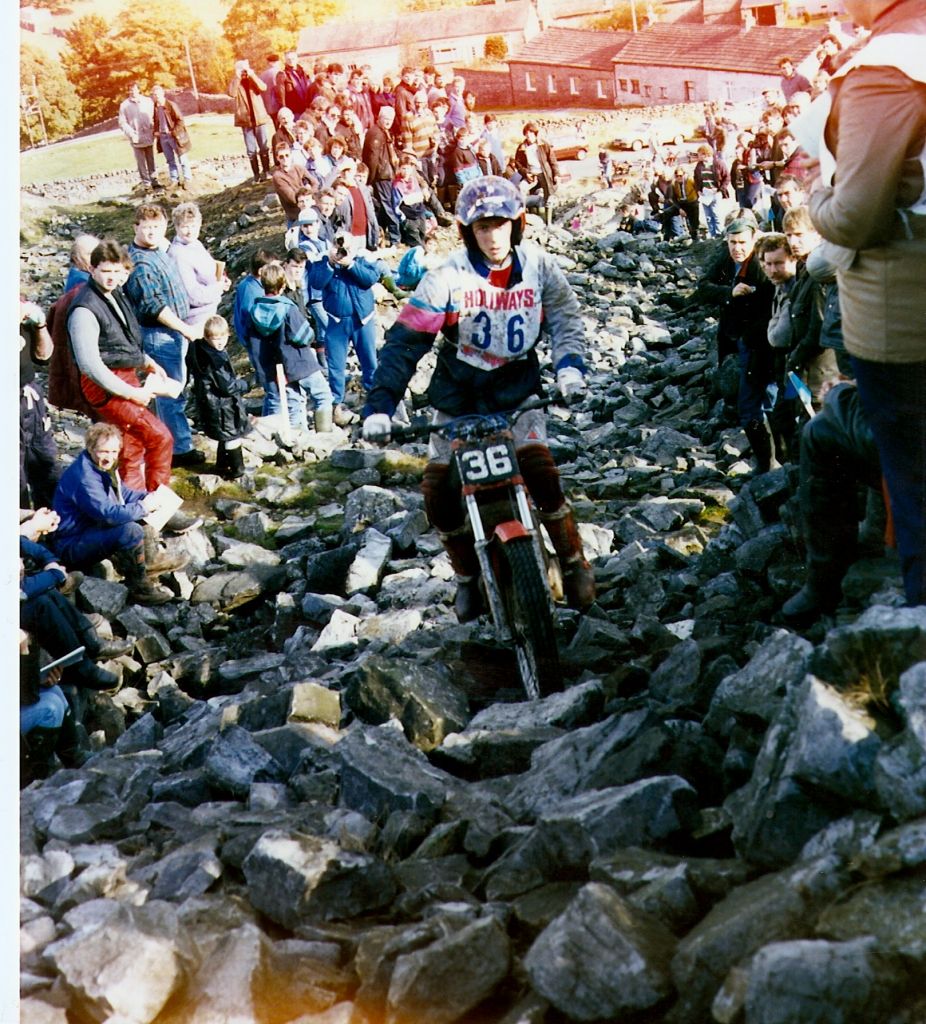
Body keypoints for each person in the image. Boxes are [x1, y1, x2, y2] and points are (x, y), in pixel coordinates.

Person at [361, 176, 595, 621]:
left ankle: (572, 559)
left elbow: (566, 317)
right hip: (458, 396)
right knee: (438, 493)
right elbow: (405, 343)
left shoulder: (540, 267)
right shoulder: (445, 278)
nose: (493, 236)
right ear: (468, 231)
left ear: (517, 223)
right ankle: (467, 576)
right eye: (482, 227)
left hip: (518, 389)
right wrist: (380, 408)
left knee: (540, 471)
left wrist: (569, 367)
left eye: (500, 224)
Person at [806, 0, 926, 607]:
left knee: (914, 483)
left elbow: (855, 217)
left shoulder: (888, 66)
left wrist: (815, 193)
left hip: (901, 315)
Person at [66, 240, 175, 491]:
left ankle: (134, 501)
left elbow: (121, 337)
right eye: (106, 271)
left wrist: (145, 361)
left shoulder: (113, 294)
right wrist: (131, 393)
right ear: (92, 269)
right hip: (104, 386)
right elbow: (89, 365)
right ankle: (158, 499)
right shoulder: (84, 309)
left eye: (116, 271)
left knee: (131, 447)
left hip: (125, 376)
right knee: (160, 436)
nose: (112, 277)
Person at [51, 423, 182, 605]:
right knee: (131, 530)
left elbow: (123, 493)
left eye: (114, 452)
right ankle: (139, 588)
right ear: (90, 448)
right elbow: (108, 514)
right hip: (71, 544)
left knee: (140, 514)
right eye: (104, 451)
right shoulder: (85, 477)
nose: (110, 457)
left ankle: (147, 564)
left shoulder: (100, 467)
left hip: (89, 531)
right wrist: (143, 507)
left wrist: (148, 498)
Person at [124, 203, 206, 469]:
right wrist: (186, 329)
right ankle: (179, 449)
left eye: (157, 227)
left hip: (173, 333)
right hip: (159, 334)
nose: (152, 232)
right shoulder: (139, 263)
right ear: (135, 227)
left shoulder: (159, 249)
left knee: (174, 389)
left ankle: (171, 442)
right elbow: (153, 306)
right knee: (169, 393)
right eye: (146, 227)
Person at [696, 214, 775, 472]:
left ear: (754, 240)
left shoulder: (763, 267)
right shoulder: (727, 259)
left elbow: (769, 310)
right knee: (746, 399)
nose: (737, 248)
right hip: (733, 337)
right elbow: (702, 287)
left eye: (742, 243)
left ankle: (769, 462)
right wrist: (729, 293)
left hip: (758, 344)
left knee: (758, 402)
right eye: (732, 243)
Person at [248, 262, 333, 434]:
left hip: (280, 368)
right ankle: (324, 437)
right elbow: (303, 336)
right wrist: (311, 336)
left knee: (294, 403)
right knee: (323, 395)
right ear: (282, 285)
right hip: (301, 362)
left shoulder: (254, 311)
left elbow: (256, 345)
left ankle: (298, 437)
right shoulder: (287, 308)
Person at [306, 233, 381, 426]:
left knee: (369, 360)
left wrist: (351, 264)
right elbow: (316, 282)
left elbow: (371, 278)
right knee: (336, 365)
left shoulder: (362, 258)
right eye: (338, 245)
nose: (342, 250)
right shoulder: (322, 260)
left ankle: (374, 400)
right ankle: (336, 404)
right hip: (337, 321)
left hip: (362, 320)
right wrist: (331, 263)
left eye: (346, 246)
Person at [186, 315, 251, 478]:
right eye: (216, 338)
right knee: (231, 435)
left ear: (228, 335)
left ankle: (221, 465)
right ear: (207, 337)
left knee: (224, 435)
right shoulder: (216, 360)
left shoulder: (198, 349)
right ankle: (238, 470)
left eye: (223, 337)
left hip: (210, 403)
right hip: (222, 405)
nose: (220, 342)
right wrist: (245, 384)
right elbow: (227, 387)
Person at [20, 298, 60, 510]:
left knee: (45, 461)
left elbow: (44, 355)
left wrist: (40, 325)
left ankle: (53, 520)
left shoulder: (21, 309)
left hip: (29, 396)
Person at [168, 202, 231, 327]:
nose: (190, 231)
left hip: (209, 313)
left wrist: (223, 280)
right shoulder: (178, 254)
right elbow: (193, 296)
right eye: (185, 227)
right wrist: (218, 288)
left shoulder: (195, 244)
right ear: (176, 227)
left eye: (193, 226)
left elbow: (209, 270)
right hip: (195, 320)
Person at [233, 248, 275, 384]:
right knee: (267, 374)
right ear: (261, 271)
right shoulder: (250, 289)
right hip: (256, 339)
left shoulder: (255, 284)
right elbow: (251, 316)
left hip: (257, 338)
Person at [362, 106, 401, 248]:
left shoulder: (381, 131)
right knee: (387, 205)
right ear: (379, 118)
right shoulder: (376, 134)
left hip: (384, 174)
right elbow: (372, 159)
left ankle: (387, 234)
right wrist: (370, 178)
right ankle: (395, 237)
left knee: (385, 205)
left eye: (391, 119)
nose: (388, 122)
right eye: (386, 119)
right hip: (381, 175)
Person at [230, 58, 273, 184]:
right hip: (245, 120)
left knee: (263, 146)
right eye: (241, 69)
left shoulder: (253, 79)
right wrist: (237, 77)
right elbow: (232, 93)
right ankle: (256, 175)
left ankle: (266, 171)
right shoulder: (236, 82)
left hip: (259, 118)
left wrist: (252, 74)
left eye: (245, 69)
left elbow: (263, 87)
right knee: (251, 150)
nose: (243, 72)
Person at [118, 83, 160, 191]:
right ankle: (146, 183)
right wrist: (131, 134)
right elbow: (122, 123)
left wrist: (153, 129)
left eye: (135, 89)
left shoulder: (148, 101)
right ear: (128, 91)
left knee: (151, 160)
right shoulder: (124, 105)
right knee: (141, 162)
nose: (133, 92)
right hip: (136, 138)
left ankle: (154, 180)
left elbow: (154, 116)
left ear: (139, 90)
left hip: (148, 136)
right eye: (130, 90)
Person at [151, 85, 192, 191]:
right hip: (163, 137)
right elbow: (156, 121)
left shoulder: (171, 105)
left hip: (174, 136)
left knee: (182, 158)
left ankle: (187, 179)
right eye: (154, 95)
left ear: (162, 94)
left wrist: (174, 132)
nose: (156, 96)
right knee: (170, 160)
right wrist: (156, 131)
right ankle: (174, 180)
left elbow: (180, 120)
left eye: (157, 94)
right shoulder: (155, 107)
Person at [514, 123, 559, 207]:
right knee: (522, 188)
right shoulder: (522, 147)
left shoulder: (543, 144)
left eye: (531, 133)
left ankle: (547, 212)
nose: (529, 136)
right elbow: (518, 163)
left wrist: (556, 174)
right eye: (526, 134)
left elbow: (552, 160)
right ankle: (525, 210)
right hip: (531, 174)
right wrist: (525, 173)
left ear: (535, 134)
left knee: (548, 196)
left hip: (544, 174)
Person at [693, 144, 730, 239]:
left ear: (706, 154)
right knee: (708, 216)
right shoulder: (699, 165)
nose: (698, 156)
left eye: (700, 154)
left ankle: (719, 234)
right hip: (705, 193)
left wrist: (720, 189)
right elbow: (696, 178)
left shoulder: (718, 163)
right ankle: (712, 234)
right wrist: (698, 190)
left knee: (716, 214)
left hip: (715, 193)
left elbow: (727, 177)